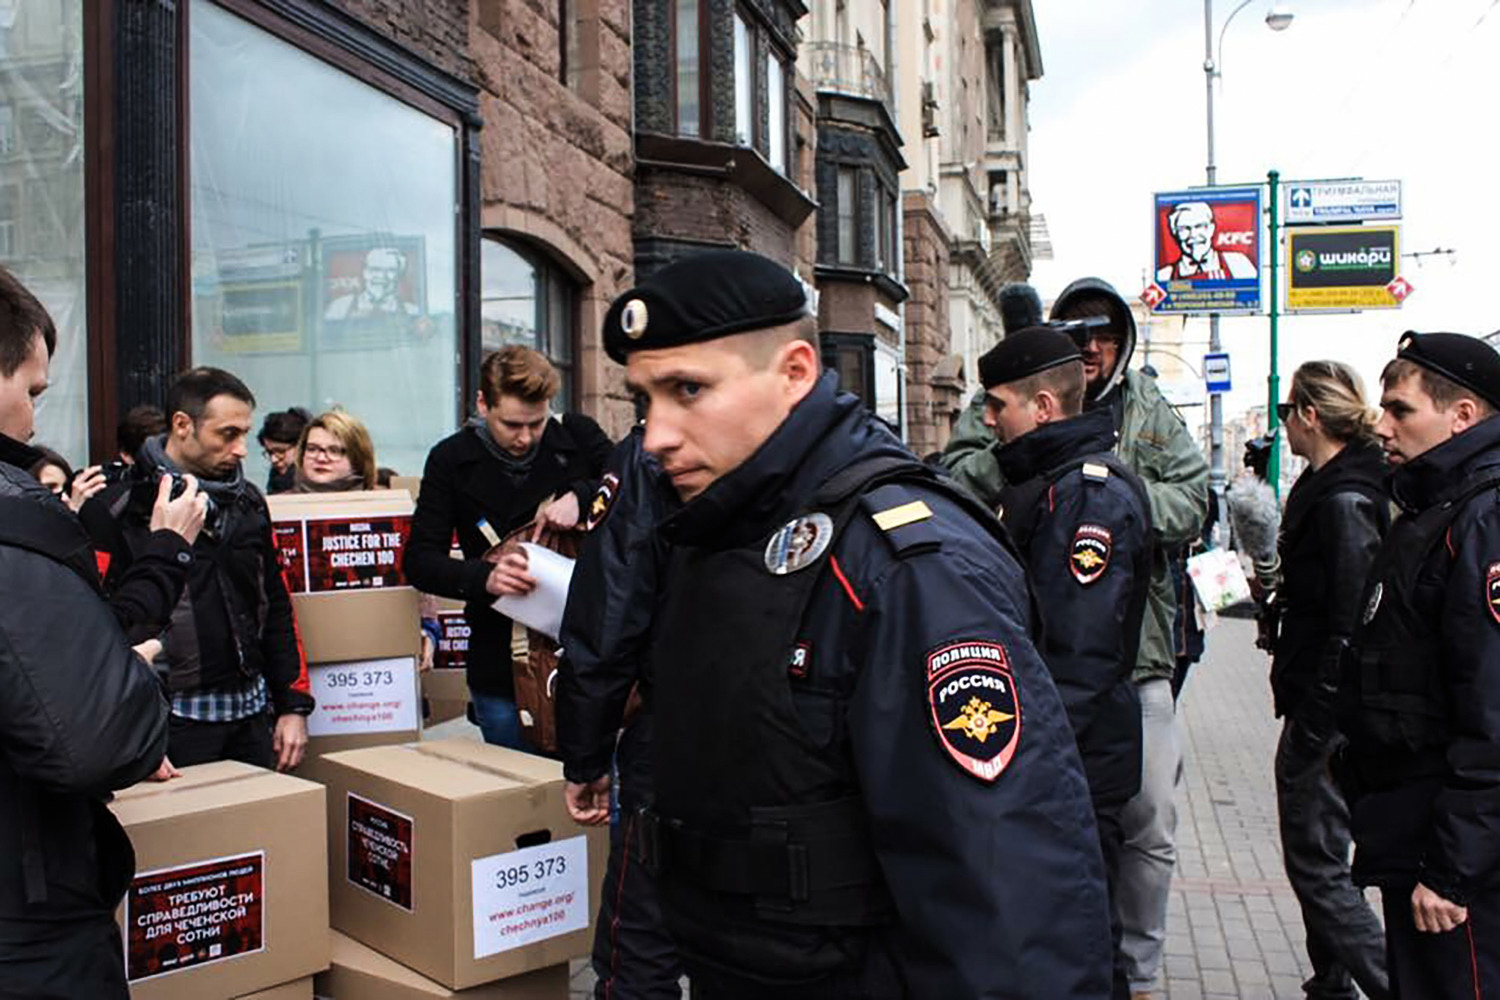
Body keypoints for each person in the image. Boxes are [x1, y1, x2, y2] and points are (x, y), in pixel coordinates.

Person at [585, 249, 1112, 997]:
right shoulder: (720, 527)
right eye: (645, 398)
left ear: (795, 373)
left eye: (688, 391)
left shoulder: (908, 565)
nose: (655, 435)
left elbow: (1010, 896)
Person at [942, 278, 1209, 999]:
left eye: (1104, 335)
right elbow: (960, 472)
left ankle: (1137, 971)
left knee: (1144, 823)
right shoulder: (1017, 399)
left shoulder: (1138, 418)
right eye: (1076, 334)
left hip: (1136, 654)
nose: (1091, 347)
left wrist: (1113, 493)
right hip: (1057, 667)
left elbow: (1193, 500)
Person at [0, 265, 202, 997]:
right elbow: (92, 734)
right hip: (28, 923)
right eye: (31, 391)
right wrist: (136, 678)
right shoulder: (22, 523)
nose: (33, 420)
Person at [978, 326, 1153, 1000]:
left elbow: (1078, 659)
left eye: (999, 405)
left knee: (1079, 937)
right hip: (1059, 755)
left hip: (1075, 760)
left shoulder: (1088, 496)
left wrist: (1031, 765)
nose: (989, 419)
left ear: (1044, 407)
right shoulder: (1043, 484)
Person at [1338, 332, 1500, 998]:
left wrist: (1453, 867)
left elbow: (1493, 708)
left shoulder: (1483, 519)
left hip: (1455, 858)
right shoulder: (1436, 508)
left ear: (1462, 416)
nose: (1382, 425)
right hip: (1415, 828)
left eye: (1401, 410)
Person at [86, 368, 313, 772]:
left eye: (246, 434)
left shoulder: (249, 503)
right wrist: (133, 734)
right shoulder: (117, 509)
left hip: (252, 716)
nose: (242, 449)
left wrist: (293, 706)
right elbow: (92, 632)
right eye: (228, 434)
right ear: (182, 425)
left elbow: (276, 604)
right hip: (170, 724)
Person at [403, 345, 612, 750]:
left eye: (537, 423)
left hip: (586, 653)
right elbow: (419, 562)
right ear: (483, 404)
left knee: (592, 790)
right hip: (500, 660)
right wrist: (487, 577)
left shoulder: (578, 436)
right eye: (513, 424)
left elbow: (632, 480)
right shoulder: (450, 459)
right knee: (517, 799)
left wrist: (583, 495)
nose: (527, 437)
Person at [1268, 361, 1392, 1000]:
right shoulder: (1330, 487)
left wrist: (1317, 718)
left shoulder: (1344, 498)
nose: (1282, 423)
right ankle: (1332, 982)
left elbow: (1349, 622)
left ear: (1310, 417)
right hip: (1327, 703)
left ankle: (1381, 984)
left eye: (1288, 411)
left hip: (1331, 712)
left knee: (1317, 865)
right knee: (1322, 855)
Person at [556, 427, 684, 998]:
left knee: (637, 947)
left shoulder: (651, 453)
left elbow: (608, 618)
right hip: (795, 742)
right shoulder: (839, 445)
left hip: (675, 735)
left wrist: (585, 761)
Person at [1154, 201, 1257, 282]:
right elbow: (1148, 305)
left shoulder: (1238, 263)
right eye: (1184, 228)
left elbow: (1253, 299)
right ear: (1174, 233)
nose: (1193, 235)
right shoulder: (1163, 276)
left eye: (1199, 226)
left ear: (1211, 229)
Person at [292, 410, 378, 492]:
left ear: (357, 458)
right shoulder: (281, 504)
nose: (321, 458)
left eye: (334, 451)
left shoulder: (382, 504)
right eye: (312, 449)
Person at [258, 407, 310, 494]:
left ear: (300, 446)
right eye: (269, 453)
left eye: (280, 451)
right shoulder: (275, 480)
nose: (273, 459)